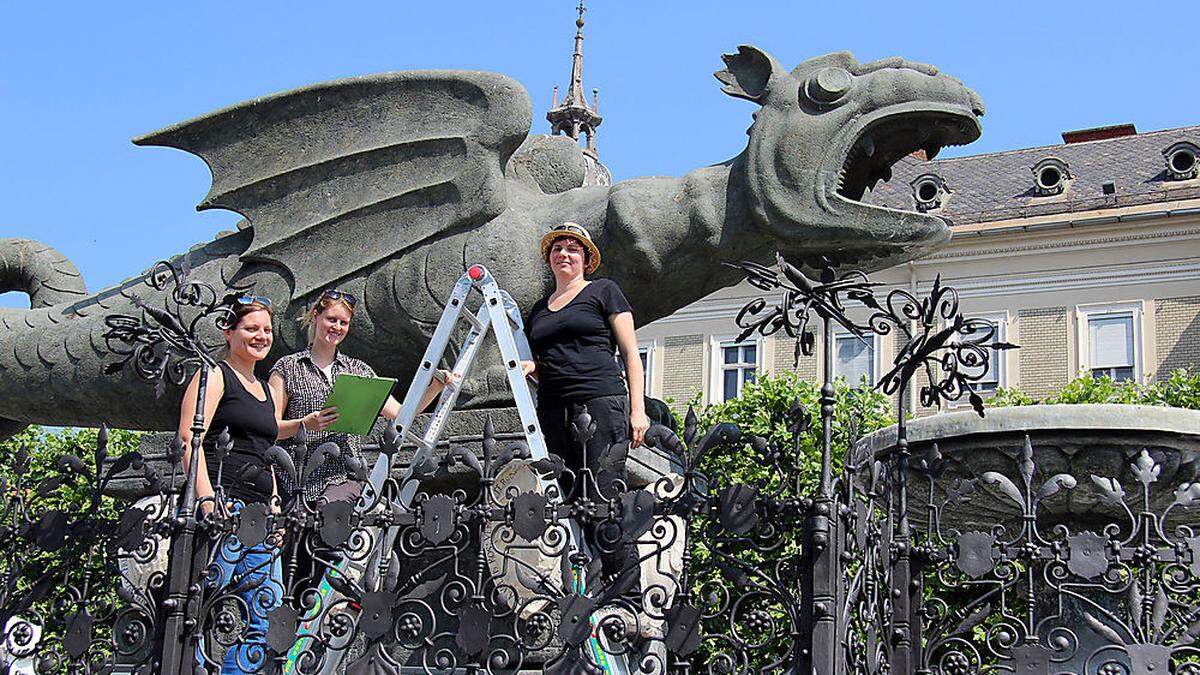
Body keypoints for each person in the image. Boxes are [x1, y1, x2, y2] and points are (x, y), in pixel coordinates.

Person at [520, 222, 649, 588]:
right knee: (567, 499)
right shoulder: (538, 311)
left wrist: (636, 410)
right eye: (557, 248)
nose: (564, 253)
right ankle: (585, 587)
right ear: (549, 259)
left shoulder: (603, 292)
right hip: (553, 409)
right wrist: (533, 370)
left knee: (603, 500)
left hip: (600, 401)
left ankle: (628, 593)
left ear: (586, 259)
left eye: (573, 248)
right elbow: (551, 364)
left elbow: (630, 353)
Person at [176, 293, 283, 675]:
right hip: (225, 504)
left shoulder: (266, 389)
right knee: (202, 603)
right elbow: (191, 437)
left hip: (258, 516)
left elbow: (266, 450)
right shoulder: (215, 374)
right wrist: (206, 501)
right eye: (251, 328)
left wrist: (274, 507)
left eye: (266, 329)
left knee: (266, 609)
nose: (260, 336)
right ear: (229, 333)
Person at [268, 289, 456, 505]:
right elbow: (271, 429)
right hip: (297, 483)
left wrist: (435, 387)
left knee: (332, 518)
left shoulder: (359, 370)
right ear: (315, 316)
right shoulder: (287, 367)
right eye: (331, 319)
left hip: (344, 478)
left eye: (343, 322)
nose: (337, 327)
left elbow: (399, 414)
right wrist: (305, 424)